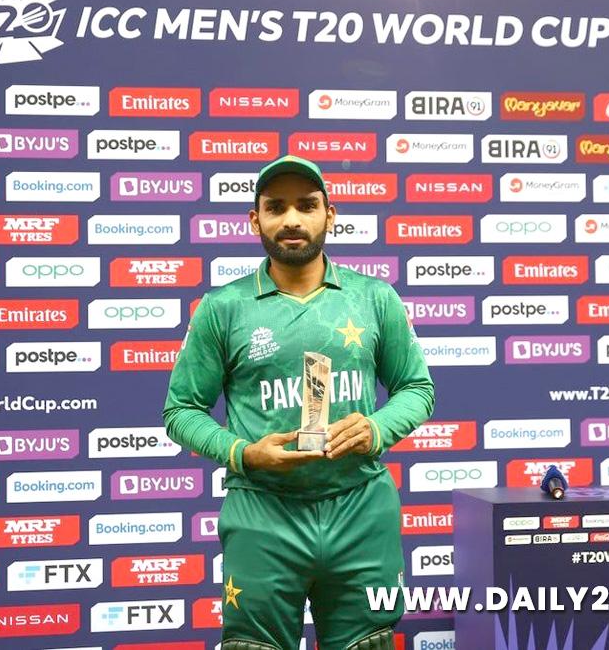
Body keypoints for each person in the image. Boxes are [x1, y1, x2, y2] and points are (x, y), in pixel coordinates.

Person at [162, 155, 436, 650]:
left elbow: (417, 389)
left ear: (330, 215)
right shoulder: (223, 307)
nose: (291, 219)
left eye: (306, 205)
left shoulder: (374, 298)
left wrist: (375, 429)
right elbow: (181, 411)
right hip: (262, 511)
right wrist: (243, 453)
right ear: (255, 220)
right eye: (276, 207)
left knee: (369, 643)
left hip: (360, 507)